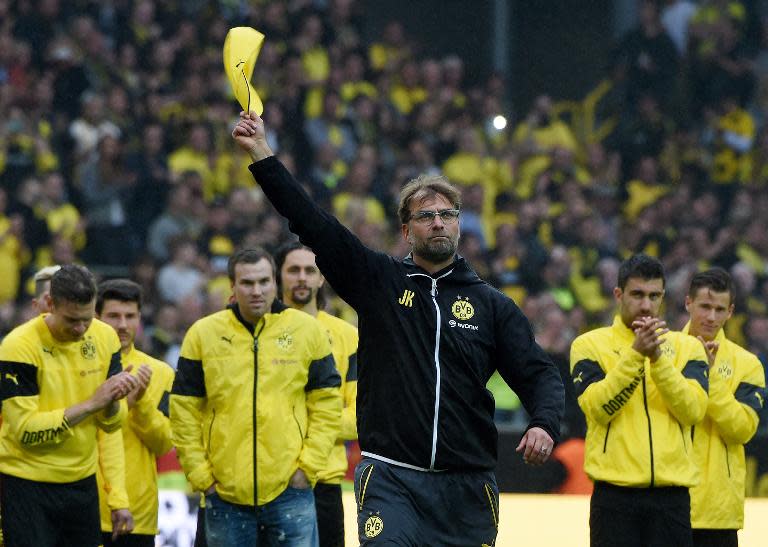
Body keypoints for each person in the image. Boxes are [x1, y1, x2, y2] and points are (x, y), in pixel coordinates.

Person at [234, 111, 564, 546]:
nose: (438, 223)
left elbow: (539, 374)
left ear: (460, 224)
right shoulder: (378, 282)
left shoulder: (492, 305)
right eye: (426, 216)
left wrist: (543, 422)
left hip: (466, 486)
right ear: (407, 230)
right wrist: (262, 152)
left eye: (447, 214)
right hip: (392, 479)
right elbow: (313, 223)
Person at [170, 247, 342, 547]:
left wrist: (307, 468)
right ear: (232, 287)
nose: (257, 290)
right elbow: (183, 410)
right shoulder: (202, 335)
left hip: (292, 490)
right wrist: (202, 477)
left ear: (275, 283)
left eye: (264, 281)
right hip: (224, 494)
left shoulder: (307, 331)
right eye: (247, 283)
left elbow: (327, 404)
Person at [570, 254, 709, 547]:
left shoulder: (688, 348)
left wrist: (657, 359)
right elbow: (598, 409)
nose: (646, 304)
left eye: (654, 296)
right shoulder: (589, 345)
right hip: (614, 496)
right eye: (637, 294)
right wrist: (635, 356)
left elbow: (693, 411)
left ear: (663, 297)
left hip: (672, 496)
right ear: (618, 294)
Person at [0, 264, 138, 546]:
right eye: (72, 320)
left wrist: (113, 401)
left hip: (81, 483)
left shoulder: (104, 337)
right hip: (27, 483)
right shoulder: (18, 346)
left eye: (87, 319)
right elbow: (26, 432)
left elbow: (111, 425)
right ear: (49, 303)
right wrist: (92, 404)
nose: (80, 329)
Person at [276, 242, 358, 547]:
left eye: (310, 270)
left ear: (321, 278)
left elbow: (359, 417)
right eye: (293, 270)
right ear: (279, 276)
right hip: (270, 479)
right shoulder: (262, 329)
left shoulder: (347, 336)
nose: (302, 278)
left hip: (324, 482)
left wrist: (301, 424)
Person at [683, 269, 765, 547]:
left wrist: (708, 374)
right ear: (688, 303)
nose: (711, 317)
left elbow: (742, 429)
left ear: (730, 312)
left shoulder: (747, 364)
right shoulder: (663, 351)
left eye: (719, 309)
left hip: (718, 512)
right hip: (667, 503)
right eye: (705, 306)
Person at [96, 279, 175, 546]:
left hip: (137, 512)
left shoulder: (161, 373)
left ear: (140, 318)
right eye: (113, 316)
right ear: (96, 316)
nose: (122, 324)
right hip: (84, 510)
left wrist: (140, 403)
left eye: (130, 316)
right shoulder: (80, 365)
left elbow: (164, 443)